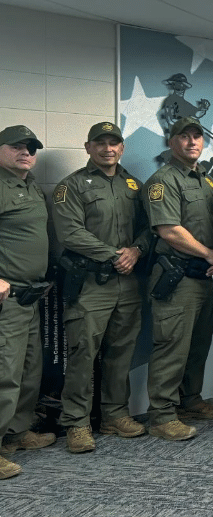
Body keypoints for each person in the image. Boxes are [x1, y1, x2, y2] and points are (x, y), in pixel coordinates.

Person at [53, 122, 150, 453]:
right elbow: (70, 233)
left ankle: (114, 415)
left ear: (122, 147)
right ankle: (77, 423)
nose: (108, 149)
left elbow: (149, 228)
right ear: (88, 147)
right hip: (91, 284)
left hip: (129, 281)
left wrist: (136, 250)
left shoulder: (134, 185)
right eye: (100, 143)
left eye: (113, 143)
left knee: (121, 352)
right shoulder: (72, 186)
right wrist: (114, 255)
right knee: (83, 353)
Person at [141, 117, 213, 441]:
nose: (192, 142)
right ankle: (162, 415)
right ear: (171, 141)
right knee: (172, 347)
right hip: (176, 277)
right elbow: (169, 231)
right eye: (184, 136)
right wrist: (209, 253)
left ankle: (190, 401)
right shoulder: (163, 180)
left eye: (197, 136)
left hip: (202, 276)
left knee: (197, 345)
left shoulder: (208, 182)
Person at [0, 125, 53, 479]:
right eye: (17, 146)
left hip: (32, 297)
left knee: (29, 371)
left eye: (31, 148)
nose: (26, 153)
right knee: (5, 375)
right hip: (7, 299)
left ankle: (15, 435)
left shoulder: (31, 185)